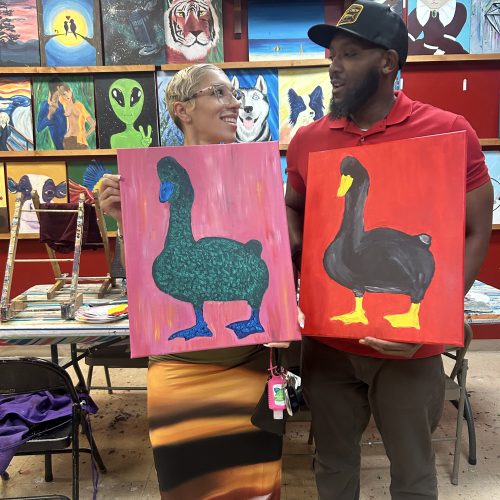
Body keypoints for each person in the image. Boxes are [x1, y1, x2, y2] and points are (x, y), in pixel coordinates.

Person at [285, 2, 492, 499]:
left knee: (413, 474)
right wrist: (295, 251)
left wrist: (431, 319)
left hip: (408, 351)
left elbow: (475, 230)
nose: (333, 67)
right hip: (328, 347)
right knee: (332, 466)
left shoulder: (448, 130)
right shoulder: (309, 140)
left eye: (349, 54)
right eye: (332, 55)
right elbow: (294, 205)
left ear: (388, 62)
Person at [100, 63, 286, 499]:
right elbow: (140, 279)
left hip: (250, 364)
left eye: (234, 93)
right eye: (219, 93)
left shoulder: (259, 174)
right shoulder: (145, 176)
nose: (235, 103)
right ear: (182, 109)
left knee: (254, 489)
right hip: (178, 372)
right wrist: (125, 221)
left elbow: (276, 261)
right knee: (189, 488)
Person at [58, 83, 95, 150]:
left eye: (67, 92)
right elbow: (57, 95)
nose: (66, 96)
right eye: (63, 94)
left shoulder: (79, 105)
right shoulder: (64, 104)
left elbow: (93, 124)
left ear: (70, 91)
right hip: (67, 139)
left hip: (79, 141)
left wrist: (85, 135)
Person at [36, 78, 67, 150]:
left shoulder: (61, 105)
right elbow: (39, 128)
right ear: (58, 87)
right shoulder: (45, 106)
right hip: (58, 147)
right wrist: (49, 115)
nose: (64, 89)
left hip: (67, 143)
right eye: (63, 87)